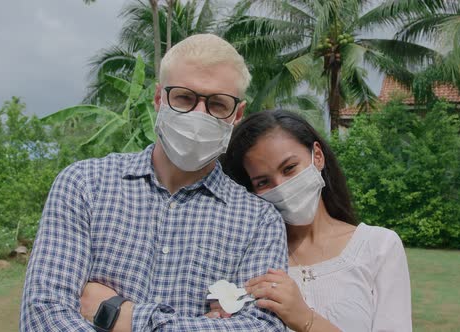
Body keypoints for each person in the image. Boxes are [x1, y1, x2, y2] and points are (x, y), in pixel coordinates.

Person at [20, 34, 288, 331]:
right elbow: (43, 313)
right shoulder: (85, 186)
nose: (199, 115)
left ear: (236, 114)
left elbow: (262, 327)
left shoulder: (258, 221)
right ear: (160, 98)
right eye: (184, 98)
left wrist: (122, 315)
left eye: (217, 104)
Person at [215, 110, 412, 331]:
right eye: (263, 182)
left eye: (289, 168)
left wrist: (306, 319)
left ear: (317, 156)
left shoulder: (378, 247)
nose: (281, 187)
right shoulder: (251, 258)